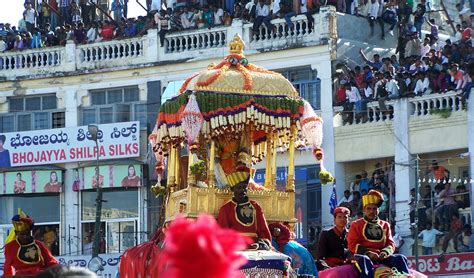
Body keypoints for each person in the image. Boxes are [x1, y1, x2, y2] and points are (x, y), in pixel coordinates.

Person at [347, 190, 410, 278]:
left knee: (400, 258)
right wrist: (368, 253)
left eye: (374, 209)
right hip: (363, 256)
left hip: (382, 256)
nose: (371, 211)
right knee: (364, 260)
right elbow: (352, 244)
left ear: (378, 210)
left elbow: (391, 243)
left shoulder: (385, 225)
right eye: (369, 208)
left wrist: (385, 252)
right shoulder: (356, 224)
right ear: (364, 210)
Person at [217, 168, 272, 248]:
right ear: (233, 190)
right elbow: (223, 235)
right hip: (235, 247)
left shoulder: (255, 206)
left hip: (257, 247)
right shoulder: (226, 209)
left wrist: (264, 242)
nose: (242, 190)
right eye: (239, 188)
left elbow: (264, 231)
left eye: (244, 187)